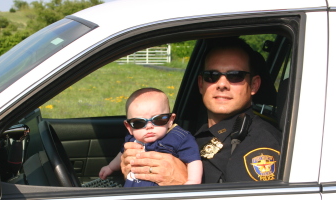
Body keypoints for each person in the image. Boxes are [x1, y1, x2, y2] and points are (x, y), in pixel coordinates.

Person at [120, 37, 282, 184]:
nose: (222, 84)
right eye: (211, 76)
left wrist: (184, 182)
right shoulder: (189, 130)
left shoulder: (260, 142)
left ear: (254, 85)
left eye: (235, 76)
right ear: (200, 84)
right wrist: (136, 169)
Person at [99, 88, 202, 186]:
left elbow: (194, 160)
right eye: (138, 123)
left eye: (158, 120)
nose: (149, 126)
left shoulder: (179, 138)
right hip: (132, 194)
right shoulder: (132, 140)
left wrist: (193, 181)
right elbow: (122, 155)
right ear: (129, 127)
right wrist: (110, 167)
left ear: (170, 120)